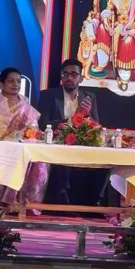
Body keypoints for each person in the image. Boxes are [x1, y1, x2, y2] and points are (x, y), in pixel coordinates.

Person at [36, 58, 106, 208]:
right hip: (57, 144)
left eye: (74, 74)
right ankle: (63, 197)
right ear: (61, 77)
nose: (69, 78)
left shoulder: (89, 97)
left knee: (106, 160)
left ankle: (95, 201)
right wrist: (74, 117)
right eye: (65, 74)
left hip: (83, 145)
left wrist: (86, 115)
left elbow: (96, 126)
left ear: (81, 78)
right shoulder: (48, 96)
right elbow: (43, 124)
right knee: (64, 154)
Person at [0, 67, 45, 211]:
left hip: (20, 148)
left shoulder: (24, 104)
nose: (15, 84)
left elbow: (33, 130)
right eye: (11, 81)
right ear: (1, 84)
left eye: (18, 81)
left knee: (37, 159)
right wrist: (9, 130)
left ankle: (20, 204)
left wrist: (27, 132)